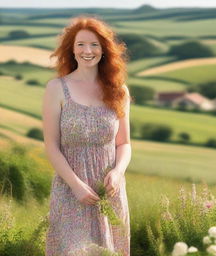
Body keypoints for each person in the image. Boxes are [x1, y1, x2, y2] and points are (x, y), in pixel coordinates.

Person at [42, 16, 131, 256]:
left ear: (104, 49)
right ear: (71, 49)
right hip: (70, 191)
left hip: (109, 190)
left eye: (94, 44)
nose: (87, 51)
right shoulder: (57, 88)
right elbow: (51, 145)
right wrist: (76, 185)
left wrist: (118, 172)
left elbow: (124, 143)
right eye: (80, 44)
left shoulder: (118, 91)